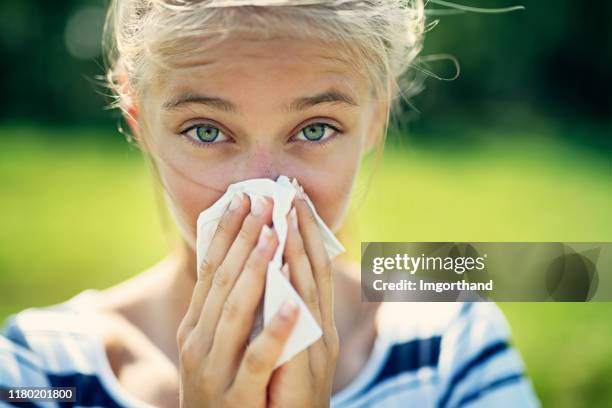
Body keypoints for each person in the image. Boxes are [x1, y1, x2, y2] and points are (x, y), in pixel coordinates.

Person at [0, 0, 540, 406]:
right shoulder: (39, 373)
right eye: (207, 131)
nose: (265, 196)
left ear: (375, 117)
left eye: (316, 127)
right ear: (140, 120)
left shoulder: (450, 347)